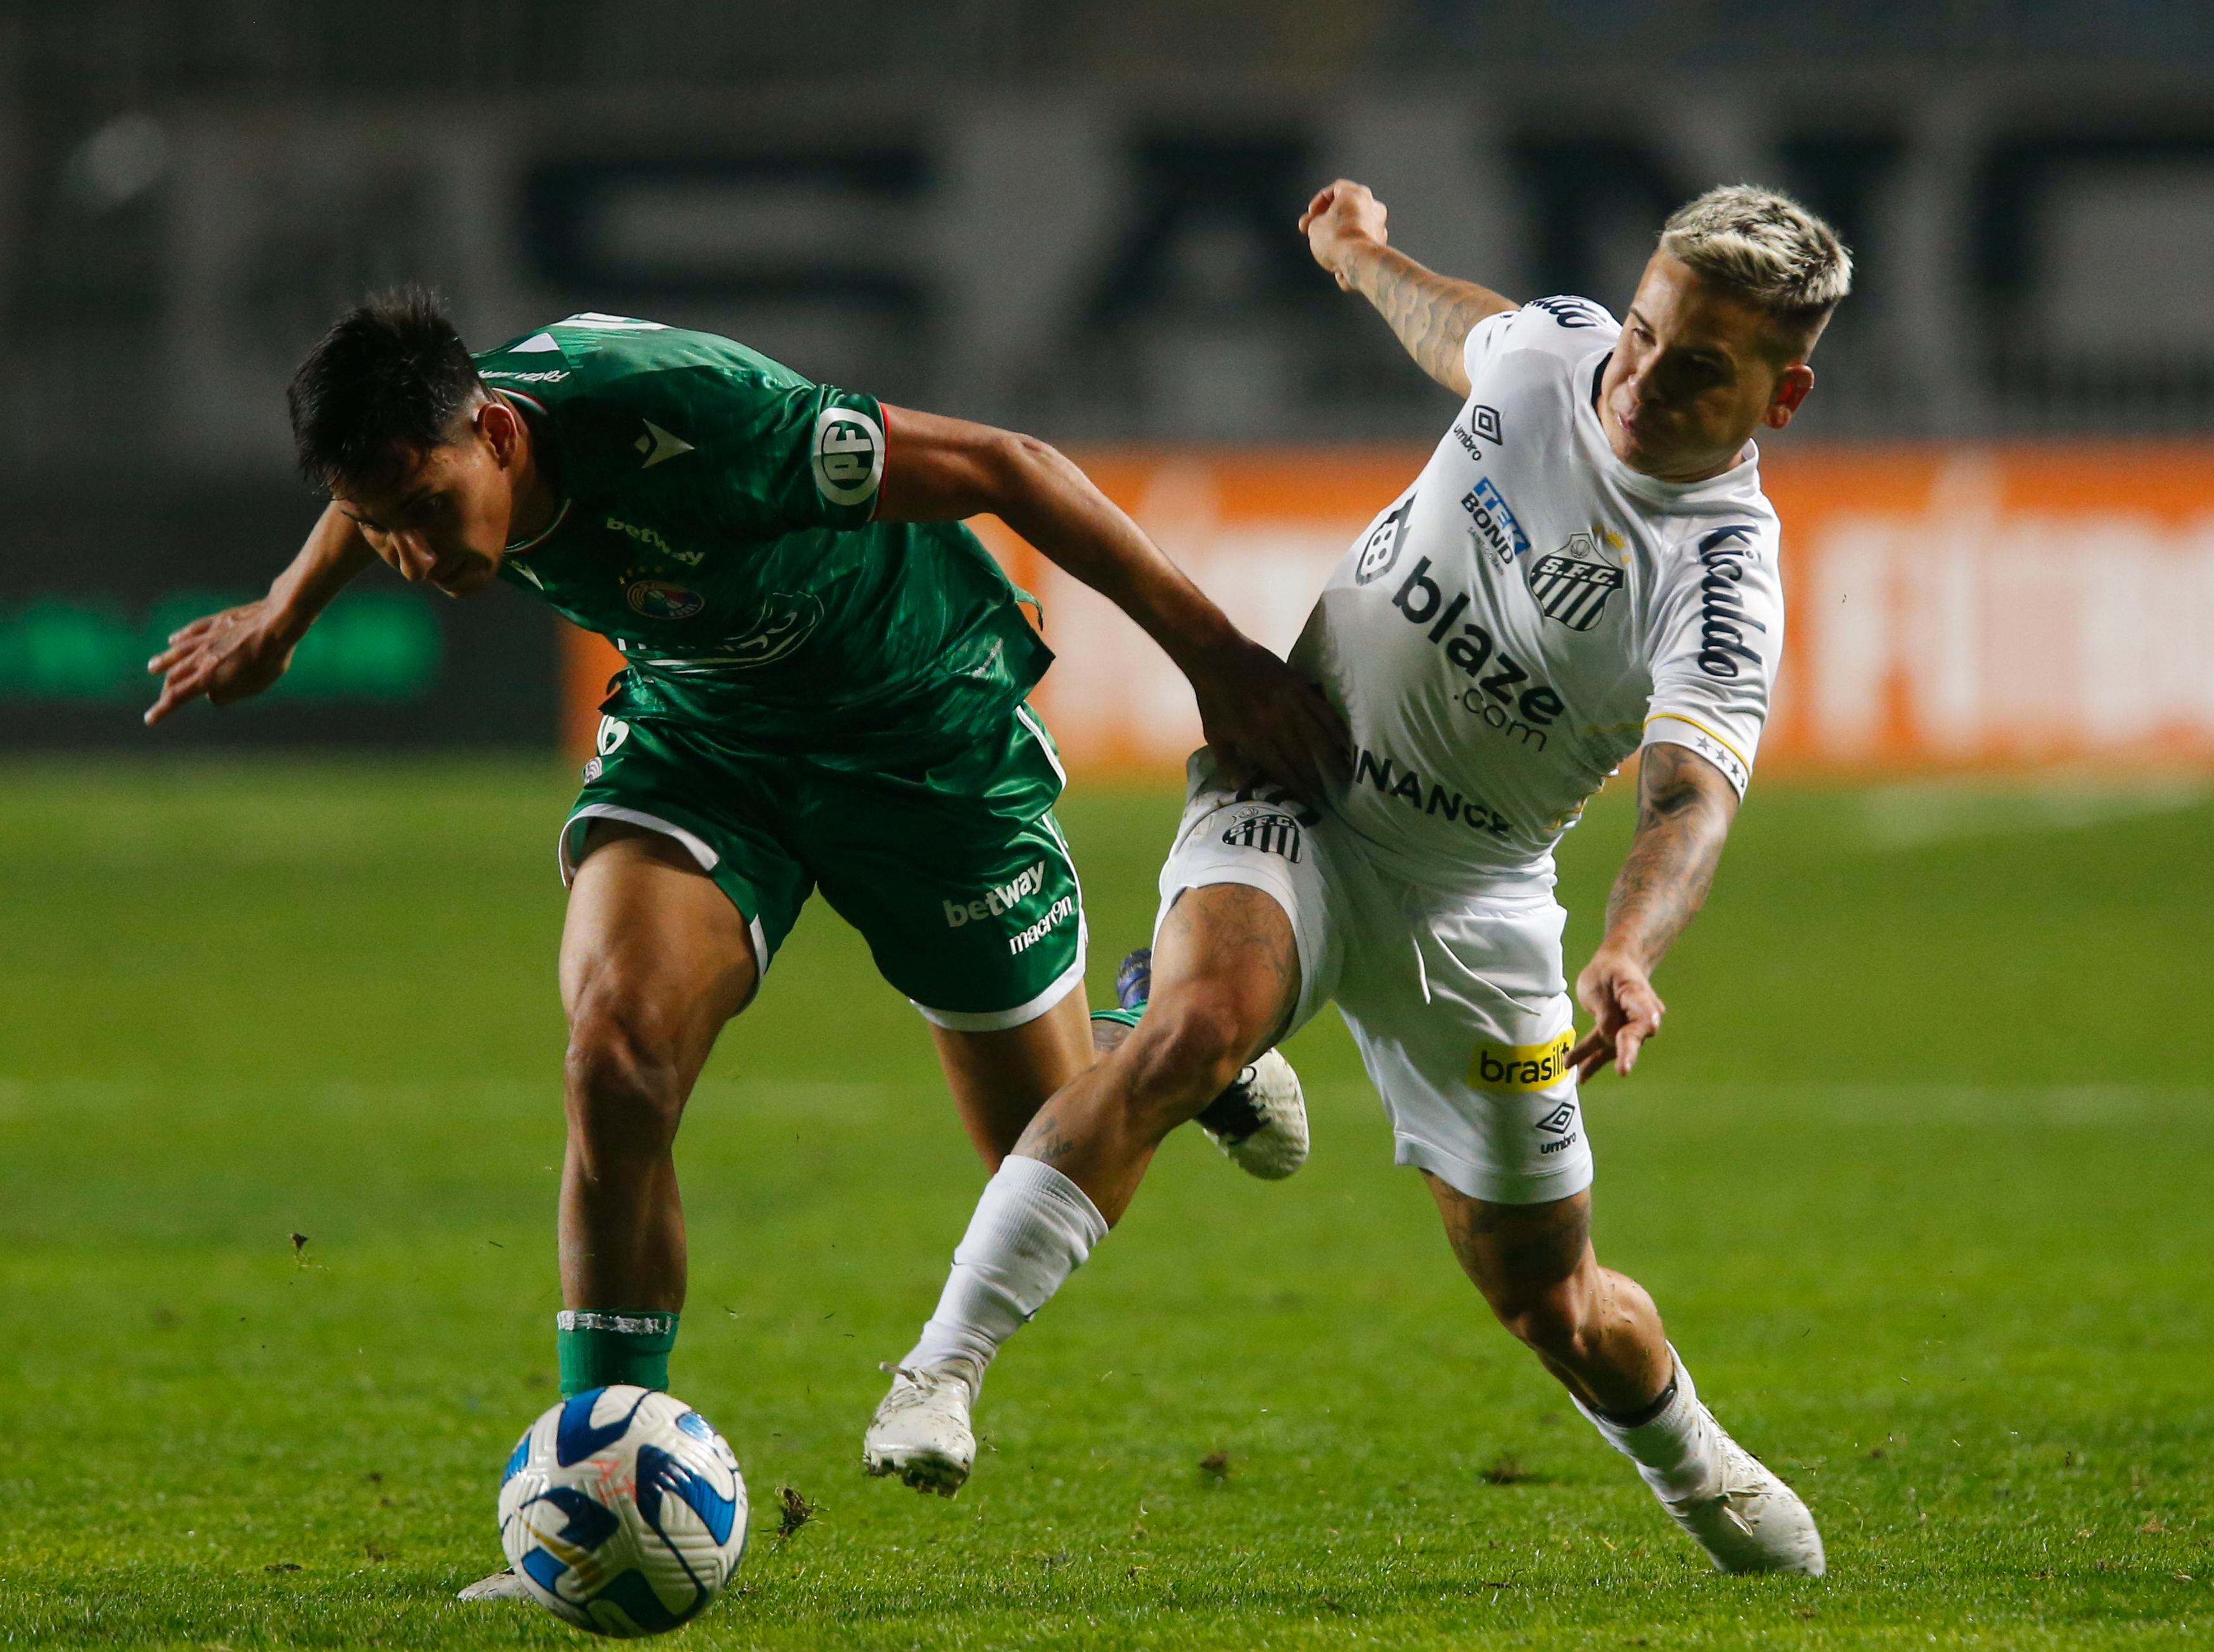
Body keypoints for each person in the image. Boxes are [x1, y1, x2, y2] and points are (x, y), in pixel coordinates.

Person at [141, 294, 1342, 1588]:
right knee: (615, 1053)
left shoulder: (702, 425)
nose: (417, 552)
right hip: (707, 733)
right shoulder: (422, 433)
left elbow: (1013, 468)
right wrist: (283, 608)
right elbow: (369, 486)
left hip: (918, 729)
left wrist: (1216, 662)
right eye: (383, 526)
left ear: (495, 433)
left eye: (428, 509)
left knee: (1040, 1149)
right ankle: (593, 1480)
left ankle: (1159, 1027)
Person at [861, 182, 1848, 1577]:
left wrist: (1628, 953)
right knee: (1193, 1032)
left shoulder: (1724, 575)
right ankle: (938, 1372)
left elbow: (1688, 797)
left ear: (1781, 395)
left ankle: (1693, 1459)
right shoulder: (1563, 354)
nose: (1637, 378)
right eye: (1641, 333)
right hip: (1302, 794)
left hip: (1478, 905)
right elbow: (1470, 332)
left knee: (1548, 1297)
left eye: (1696, 368)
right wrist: (1359, 256)